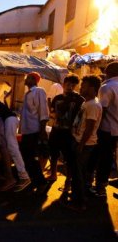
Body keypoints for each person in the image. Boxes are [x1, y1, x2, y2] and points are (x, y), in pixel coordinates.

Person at [63, 75, 102, 211]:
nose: (80, 88)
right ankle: (78, 198)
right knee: (77, 172)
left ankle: (79, 203)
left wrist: (80, 145)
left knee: (77, 174)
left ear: (92, 88)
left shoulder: (93, 105)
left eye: (83, 86)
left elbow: (90, 127)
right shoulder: (87, 102)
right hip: (79, 141)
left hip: (84, 145)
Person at [47, 74, 84, 193]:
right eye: (68, 84)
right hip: (56, 129)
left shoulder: (79, 100)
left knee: (69, 158)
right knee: (53, 154)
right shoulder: (57, 98)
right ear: (63, 84)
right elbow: (52, 113)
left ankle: (68, 182)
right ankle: (53, 174)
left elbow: (81, 118)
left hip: (70, 133)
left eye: (73, 85)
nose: (70, 87)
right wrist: (53, 116)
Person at [0, 96, 31, 192]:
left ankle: (24, 176)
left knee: (12, 147)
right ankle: (20, 176)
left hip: (9, 119)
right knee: (11, 147)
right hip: (10, 119)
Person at [90, 62, 118, 197]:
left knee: (102, 158)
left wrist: (93, 129)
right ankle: (101, 184)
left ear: (108, 72)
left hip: (106, 129)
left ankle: (100, 186)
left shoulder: (106, 87)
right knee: (109, 157)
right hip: (116, 130)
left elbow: (102, 111)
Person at [20, 72, 49, 194]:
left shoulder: (39, 91)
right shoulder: (27, 94)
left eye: (30, 77)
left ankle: (41, 182)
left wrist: (42, 131)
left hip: (35, 130)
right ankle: (35, 180)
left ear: (35, 80)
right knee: (26, 156)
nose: (27, 79)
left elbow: (43, 112)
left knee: (31, 157)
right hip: (26, 131)